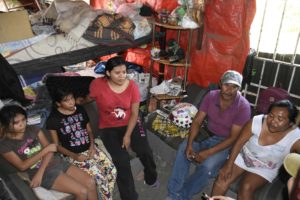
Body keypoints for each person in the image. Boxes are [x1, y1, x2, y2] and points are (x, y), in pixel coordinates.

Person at [166, 70, 251, 200]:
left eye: (234, 87)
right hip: (206, 133)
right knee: (183, 150)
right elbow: (197, 121)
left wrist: (208, 153)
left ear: (239, 88)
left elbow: (233, 138)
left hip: (225, 142)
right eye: (226, 85)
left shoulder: (243, 106)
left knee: (207, 166)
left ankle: (182, 196)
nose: (229, 90)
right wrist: (189, 144)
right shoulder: (211, 96)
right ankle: (174, 194)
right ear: (220, 84)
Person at [88, 56, 158, 200]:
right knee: (121, 160)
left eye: (124, 72)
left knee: (145, 151)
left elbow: (134, 113)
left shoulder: (132, 86)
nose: (121, 76)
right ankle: (130, 197)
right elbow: (89, 97)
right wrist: (77, 102)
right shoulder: (97, 85)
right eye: (117, 73)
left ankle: (151, 176)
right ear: (108, 73)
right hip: (108, 128)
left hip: (131, 123)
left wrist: (127, 135)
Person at [0, 105, 98, 200]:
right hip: (44, 173)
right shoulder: (5, 145)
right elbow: (22, 166)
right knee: (82, 192)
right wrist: (45, 152)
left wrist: (41, 168)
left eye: (23, 120)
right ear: (6, 124)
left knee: (91, 182)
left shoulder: (33, 129)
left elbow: (51, 150)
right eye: (16, 123)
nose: (22, 124)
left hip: (56, 163)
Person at [211, 100, 300, 200]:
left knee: (246, 187)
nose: (273, 121)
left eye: (280, 119)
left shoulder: (295, 137)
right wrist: (228, 165)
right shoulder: (257, 121)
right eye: (271, 115)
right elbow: (239, 143)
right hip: (244, 156)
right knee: (222, 178)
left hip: (266, 167)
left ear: (291, 123)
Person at [46, 89, 117, 200]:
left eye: (72, 98)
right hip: (73, 155)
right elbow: (56, 146)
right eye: (66, 100)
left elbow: (89, 130)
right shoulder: (53, 119)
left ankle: (106, 197)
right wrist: (74, 156)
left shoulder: (80, 109)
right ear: (58, 103)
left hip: (90, 149)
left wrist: (92, 146)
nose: (71, 102)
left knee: (112, 171)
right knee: (100, 178)